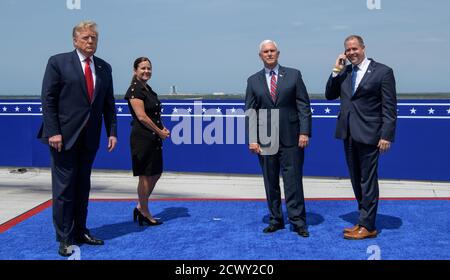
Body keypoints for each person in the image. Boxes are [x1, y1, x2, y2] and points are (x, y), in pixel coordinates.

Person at [38, 20, 118, 256]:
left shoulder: (104, 67)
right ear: (75, 40)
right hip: (62, 137)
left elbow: (108, 103)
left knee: (83, 186)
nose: (90, 41)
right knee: (64, 189)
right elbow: (48, 99)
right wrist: (53, 131)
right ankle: (64, 238)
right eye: (85, 37)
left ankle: (81, 230)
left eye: (94, 37)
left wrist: (111, 131)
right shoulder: (58, 62)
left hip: (89, 138)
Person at [325, 35, 397, 239]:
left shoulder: (383, 72)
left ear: (363, 48)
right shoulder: (345, 72)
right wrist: (336, 70)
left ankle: (368, 226)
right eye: (348, 50)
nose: (351, 53)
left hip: (370, 134)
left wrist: (386, 135)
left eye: (354, 49)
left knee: (368, 181)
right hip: (348, 133)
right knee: (356, 179)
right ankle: (363, 220)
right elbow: (330, 94)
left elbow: (390, 107)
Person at [245, 40, 312, 237]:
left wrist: (304, 132)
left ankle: (298, 221)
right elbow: (250, 111)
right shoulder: (253, 80)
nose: (269, 54)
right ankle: (276, 219)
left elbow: (303, 106)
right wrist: (252, 138)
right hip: (265, 139)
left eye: (272, 51)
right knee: (270, 181)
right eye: (265, 52)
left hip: (292, 137)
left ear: (278, 53)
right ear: (260, 56)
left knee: (293, 181)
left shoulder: (294, 75)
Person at [124, 57, 170, 227]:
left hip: (154, 138)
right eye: (143, 68)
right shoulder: (135, 90)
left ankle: (140, 206)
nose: (146, 71)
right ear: (135, 70)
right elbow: (142, 117)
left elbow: (154, 115)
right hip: (142, 138)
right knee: (144, 177)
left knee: (156, 173)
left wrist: (162, 129)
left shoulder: (148, 89)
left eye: (149, 68)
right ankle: (144, 211)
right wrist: (159, 132)